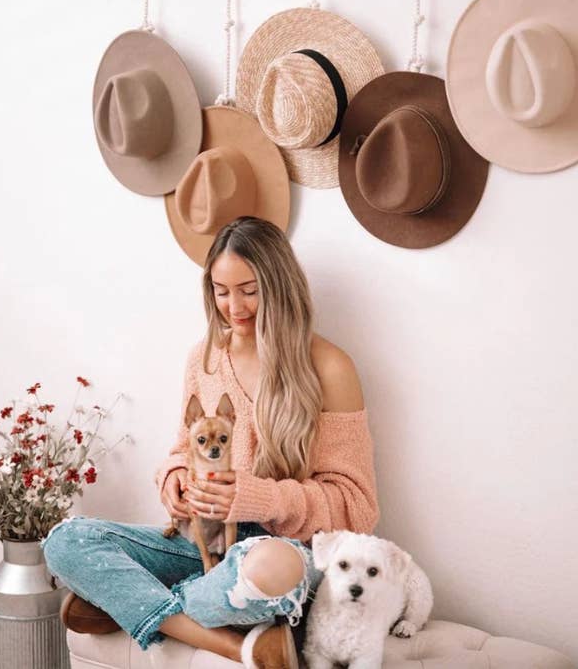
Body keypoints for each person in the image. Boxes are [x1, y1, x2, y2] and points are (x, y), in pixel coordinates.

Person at [42, 216, 379, 668]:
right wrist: (175, 478)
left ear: (279, 285)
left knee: (267, 570)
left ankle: (130, 605)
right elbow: (184, 449)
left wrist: (259, 499)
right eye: (221, 291)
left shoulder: (330, 367)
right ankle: (237, 644)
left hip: (285, 552)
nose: (233, 306)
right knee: (66, 541)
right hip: (203, 547)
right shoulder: (205, 358)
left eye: (249, 289)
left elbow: (356, 510)